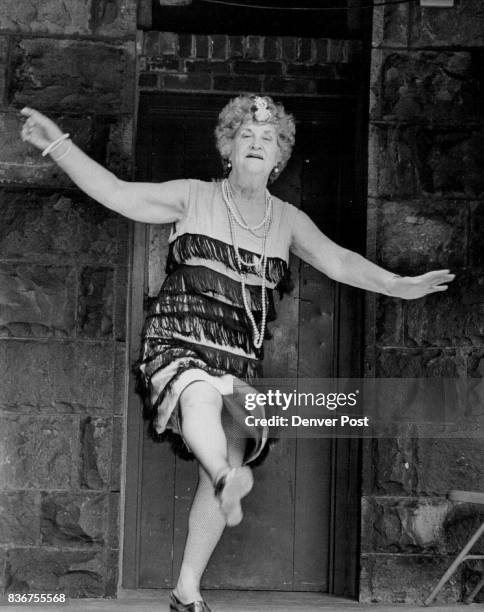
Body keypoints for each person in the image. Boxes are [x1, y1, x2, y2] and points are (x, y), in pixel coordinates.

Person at [20, 95, 454, 612]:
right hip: (178, 340)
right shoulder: (193, 196)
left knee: (225, 449)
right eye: (245, 135)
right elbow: (117, 194)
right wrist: (59, 146)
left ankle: (187, 589)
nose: (256, 143)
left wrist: (400, 284)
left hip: (237, 358)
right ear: (228, 148)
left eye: (267, 139)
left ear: (278, 159)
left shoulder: (287, 220)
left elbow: (341, 261)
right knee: (200, 396)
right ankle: (228, 480)